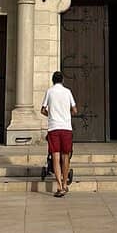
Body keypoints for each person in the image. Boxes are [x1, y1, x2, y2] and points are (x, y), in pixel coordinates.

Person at [40, 70, 77, 198]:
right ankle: (65, 183)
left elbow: (42, 110)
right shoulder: (68, 92)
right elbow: (75, 110)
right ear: (62, 80)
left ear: (52, 80)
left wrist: (51, 115)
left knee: (55, 156)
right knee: (65, 156)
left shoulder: (49, 92)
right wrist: (66, 115)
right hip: (66, 127)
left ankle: (59, 186)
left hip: (54, 127)